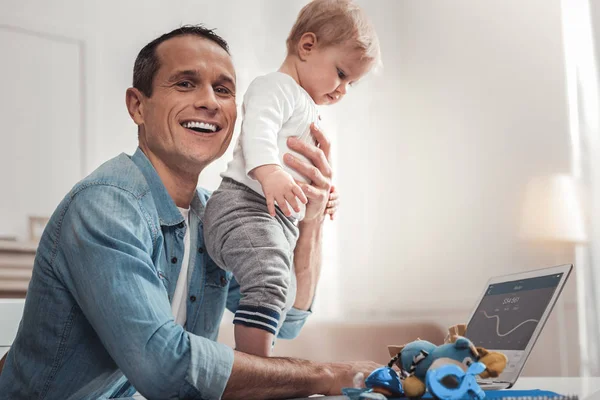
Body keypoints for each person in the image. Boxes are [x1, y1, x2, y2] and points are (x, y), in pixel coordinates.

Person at [0, 25, 381, 400]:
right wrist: (326, 374)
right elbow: (163, 366)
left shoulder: (212, 215)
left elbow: (289, 320)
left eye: (223, 89)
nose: (210, 102)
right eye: (185, 83)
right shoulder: (106, 207)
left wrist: (312, 217)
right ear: (138, 106)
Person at [203, 0, 381, 357]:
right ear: (307, 46)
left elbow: (302, 169)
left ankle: (258, 363)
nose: (343, 90)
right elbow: (259, 129)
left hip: (276, 219)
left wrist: (324, 196)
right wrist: (269, 171)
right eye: (342, 74)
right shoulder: (277, 87)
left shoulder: (306, 105)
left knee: (276, 290)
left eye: (352, 84)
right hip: (244, 204)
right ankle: (257, 369)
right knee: (269, 280)